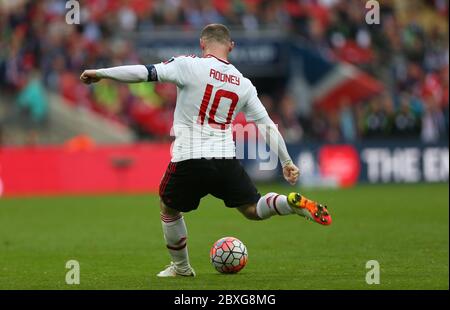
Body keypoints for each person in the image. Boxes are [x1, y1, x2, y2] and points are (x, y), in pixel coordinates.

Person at [80, 24, 332, 278]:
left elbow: (144, 73)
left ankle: (182, 268)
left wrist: (102, 73)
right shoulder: (243, 83)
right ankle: (289, 204)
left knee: (168, 208)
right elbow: (266, 125)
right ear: (231, 46)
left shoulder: (188, 65)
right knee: (252, 209)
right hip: (225, 159)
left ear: (202, 43)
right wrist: (287, 161)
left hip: (190, 157)